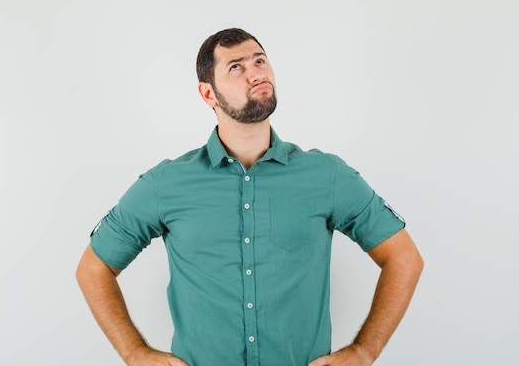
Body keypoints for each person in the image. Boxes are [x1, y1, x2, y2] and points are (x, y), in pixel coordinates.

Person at [76, 28, 423, 366]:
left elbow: (404, 257)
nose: (256, 74)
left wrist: (364, 353)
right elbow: (94, 267)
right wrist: (135, 354)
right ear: (208, 94)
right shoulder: (164, 184)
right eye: (236, 67)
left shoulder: (327, 175)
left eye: (260, 61)